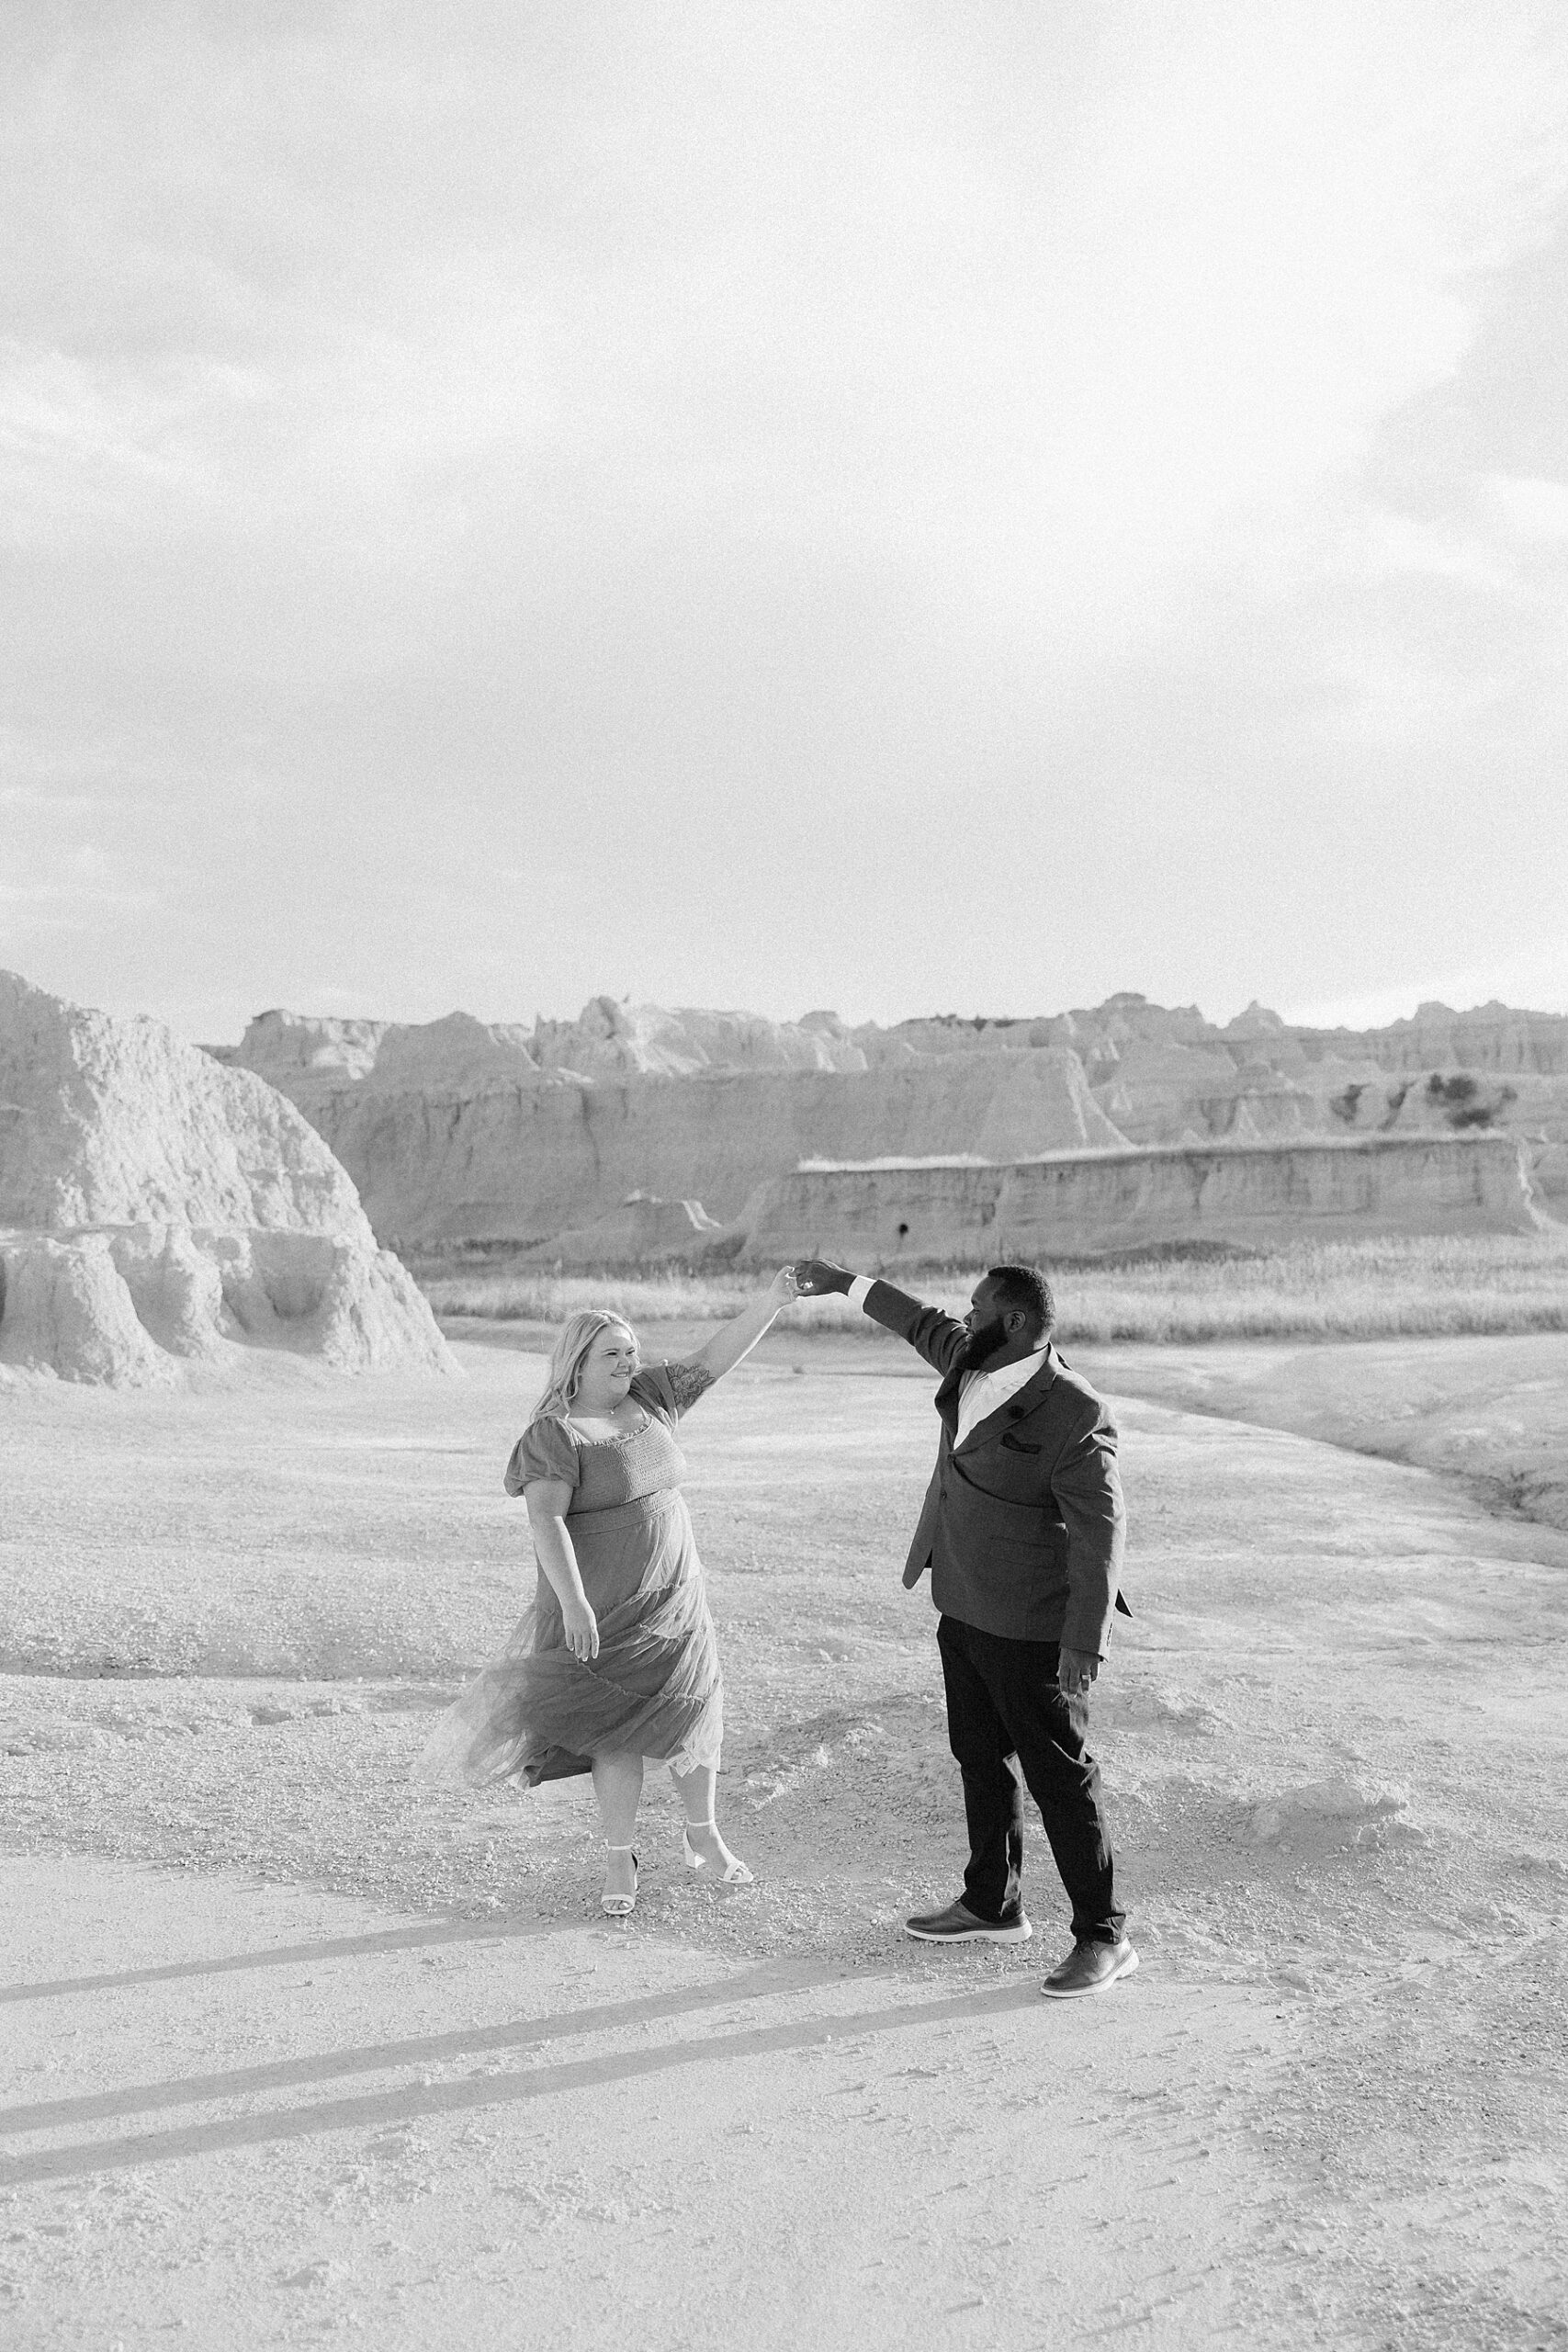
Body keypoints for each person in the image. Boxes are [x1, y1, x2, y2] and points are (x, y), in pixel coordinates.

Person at [791, 1257, 1136, 1997]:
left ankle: (1103, 1936)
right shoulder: (970, 1358)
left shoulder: (1075, 1410)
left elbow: (1100, 1531)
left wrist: (1084, 1639)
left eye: (976, 1309)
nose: (963, 1317)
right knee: (978, 1758)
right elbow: (917, 1320)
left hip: (1031, 1624)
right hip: (961, 1601)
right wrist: (842, 1282)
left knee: (1059, 1779)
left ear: (1015, 1322)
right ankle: (991, 1904)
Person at [418, 1269, 799, 1917]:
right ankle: (620, 1856)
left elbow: (714, 1358)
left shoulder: (652, 1397)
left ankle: (703, 1836)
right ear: (578, 1364)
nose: (628, 1362)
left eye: (631, 1350)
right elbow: (546, 1522)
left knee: (693, 1711)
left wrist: (773, 1301)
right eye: (612, 1354)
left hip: (675, 1597)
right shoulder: (554, 1434)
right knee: (615, 1731)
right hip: (606, 1605)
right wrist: (573, 1604)